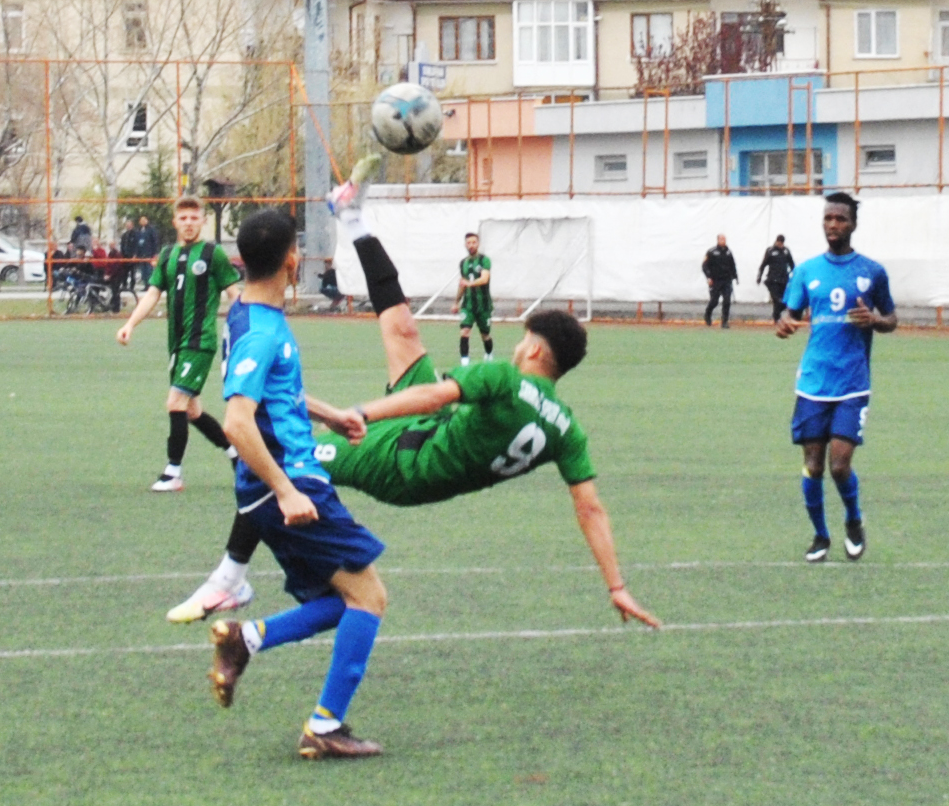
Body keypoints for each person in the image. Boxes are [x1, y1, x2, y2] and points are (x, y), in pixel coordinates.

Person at [167, 156, 660, 635]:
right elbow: (591, 508)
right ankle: (352, 218)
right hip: (432, 435)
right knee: (402, 328)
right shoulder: (566, 428)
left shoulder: (505, 380)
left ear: (531, 349)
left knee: (281, 462)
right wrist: (616, 584)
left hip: (404, 461)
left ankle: (230, 576)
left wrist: (356, 414)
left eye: (521, 341)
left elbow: (432, 397)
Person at [206, 208, 392, 759]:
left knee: (343, 599)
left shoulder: (245, 311)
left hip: (281, 484)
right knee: (371, 596)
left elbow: (270, 395)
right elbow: (238, 422)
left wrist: (328, 413)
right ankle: (325, 726)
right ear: (292, 260)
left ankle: (247, 639)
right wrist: (287, 491)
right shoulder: (261, 331)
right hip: (289, 485)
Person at [776, 192, 896, 563]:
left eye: (841, 219)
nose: (833, 225)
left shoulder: (872, 272)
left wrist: (875, 321)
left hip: (852, 382)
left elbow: (891, 319)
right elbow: (788, 313)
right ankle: (820, 535)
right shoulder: (807, 271)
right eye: (828, 218)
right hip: (813, 381)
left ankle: (853, 521)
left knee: (839, 465)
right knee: (813, 465)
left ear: (853, 224)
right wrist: (783, 323)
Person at [115, 195, 241, 492]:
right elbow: (152, 293)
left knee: (175, 402)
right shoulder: (168, 254)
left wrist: (247, 329)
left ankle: (173, 472)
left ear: (202, 221)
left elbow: (235, 295)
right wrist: (130, 324)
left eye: (193, 218)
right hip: (177, 343)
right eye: (182, 218)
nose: (188, 223)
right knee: (193, 411)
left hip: (200, 341)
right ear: (175, 222)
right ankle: (238, 456)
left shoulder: (213, 254)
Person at [452, 231, 493, 365]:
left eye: (474, 242)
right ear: (465, 245)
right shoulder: (463, 263)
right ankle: (465, 362)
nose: (471, 245)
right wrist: (456, 302)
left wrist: (469, 283)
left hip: (483, 305)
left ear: (478, 244)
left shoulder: (484, 260)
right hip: (468, 305)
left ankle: (488, 354)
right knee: (464, 331)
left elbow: (484, 279)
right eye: (468, 243)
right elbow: (462, 284)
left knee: (485, 335)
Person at [756, 234, 795, 323]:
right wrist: (759, 276)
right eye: (779, 242)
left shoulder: (786, 251)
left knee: (784, 301)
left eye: (782, 243)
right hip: (772, 280)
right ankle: (776, 318)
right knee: (777, 299)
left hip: (784, 280)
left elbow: (792, 264)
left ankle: (776, 315)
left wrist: (794, 277)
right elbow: (763, 265)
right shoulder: (770, 251)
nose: (780, 244)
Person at [702, 234, 738, 328]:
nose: (723, 241)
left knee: (727, 301)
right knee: (714, 301)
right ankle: (708, 314)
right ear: (718, 240)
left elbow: (732, 265)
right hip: (715, 280)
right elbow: (705, 266)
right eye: (721, 239)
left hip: (726, 280)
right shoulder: (712, 252)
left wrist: (735, 276)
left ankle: (724, 322)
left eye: (724, 239)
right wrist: (708, 277)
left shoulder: (728, 252)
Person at [132, 215, 159, 290]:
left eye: (144, 220)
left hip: (149, 254)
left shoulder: (151, 230)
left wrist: (155, 253)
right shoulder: (138, 230)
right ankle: (145, 285)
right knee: (143, 271)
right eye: (141, 220)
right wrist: (136, 254)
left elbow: (155, 241)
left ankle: (150, 285)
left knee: (149, 270)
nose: (143, 221)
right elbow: (136, 243)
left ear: (147, 220)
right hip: (141, 254)